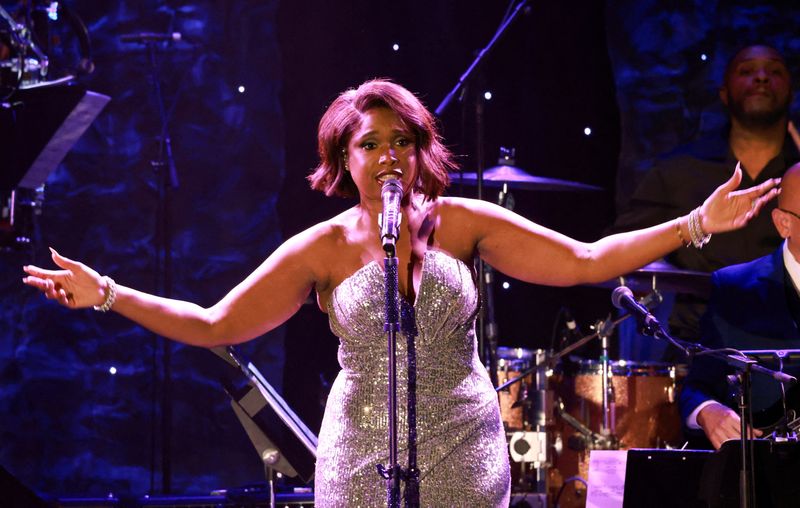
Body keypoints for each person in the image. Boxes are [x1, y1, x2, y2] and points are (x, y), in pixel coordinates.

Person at [21, 79, 779, 506]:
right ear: (342, 158)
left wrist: (694, 223)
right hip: (360, 454)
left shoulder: (459, 223)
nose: (390, 156)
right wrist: (111, 293)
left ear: (422, 149)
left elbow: (587, 259)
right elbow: (218, 320)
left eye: (403, 141)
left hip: (466, 447)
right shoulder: (320, 247)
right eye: (371, 144)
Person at [611, 44, 798, 345]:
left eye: (774, 71)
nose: (761, 78)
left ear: (791, 91)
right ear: (723, 93)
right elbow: (623, 250)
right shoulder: (677, 171)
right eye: (746, 71)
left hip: (790, 350)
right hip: (696, 347)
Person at [680, 163, 800, 450]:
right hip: (768, 479)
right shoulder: (736, 289)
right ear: (784, 224)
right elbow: (697, 386)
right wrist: (709, 411)